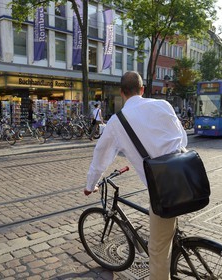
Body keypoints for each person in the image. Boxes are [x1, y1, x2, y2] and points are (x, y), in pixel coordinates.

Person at [84, 71, 187, 279]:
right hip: (186, 178)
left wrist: (90, 185)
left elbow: (100, 157)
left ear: (122, 92)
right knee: (167, 235)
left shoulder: (116, 121)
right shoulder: (163, 106)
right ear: (142, 90)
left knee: (157, 251)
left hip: (163, 191)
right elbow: (182, 140)